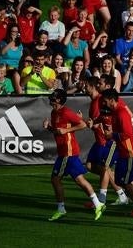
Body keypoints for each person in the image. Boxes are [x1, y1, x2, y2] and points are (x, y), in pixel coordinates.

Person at [44, 89, 105, 222]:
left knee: (56, 179)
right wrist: (49, 128)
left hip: (68, 152)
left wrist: (67, 130)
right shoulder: (54, 113)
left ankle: (62, 209)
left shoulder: (66, 112)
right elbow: (57, 131)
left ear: (60, 100)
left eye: (54, 98)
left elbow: (82, 124)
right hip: (65, 152)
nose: (51, 100)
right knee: (79, 180)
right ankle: (97, 204)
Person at [83, 76, 128, 207]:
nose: (84, 87)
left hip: (105, 141)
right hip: (100, 140)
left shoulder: (99, 101)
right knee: (91, 166)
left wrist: (90, 124)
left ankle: (102, 200)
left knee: (105, 168)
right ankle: (122, 194)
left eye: (86, 85)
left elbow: (100, 123)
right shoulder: (95, 101)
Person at [101, 88, 133, 217]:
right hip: (123, 152)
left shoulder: (121, 113)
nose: (103, 103)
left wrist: (112, 135)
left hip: (130, 153)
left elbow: (128, 134)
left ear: (111, 100)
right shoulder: (115, 112)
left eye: (105, 101)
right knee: (120, 181)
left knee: (125, 181)